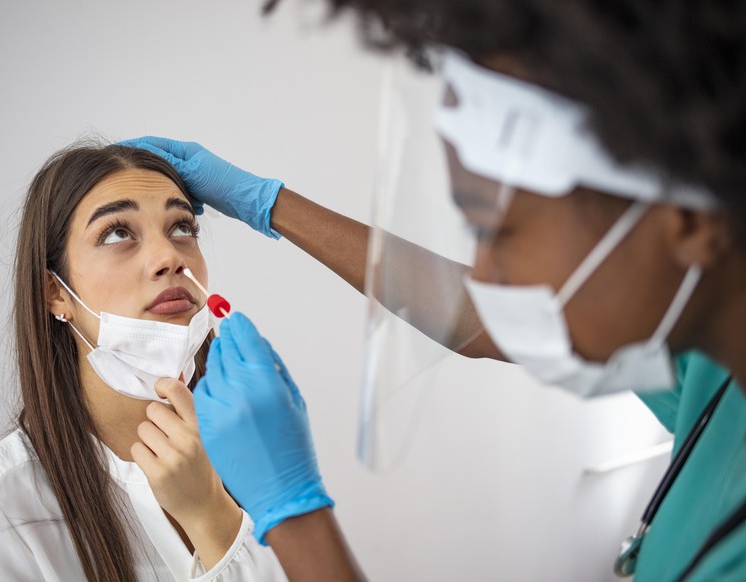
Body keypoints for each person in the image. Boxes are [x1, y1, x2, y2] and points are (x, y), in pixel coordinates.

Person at [120, 1, 746, 580]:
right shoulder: (707, 346)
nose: (485, 279)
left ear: (685, 222)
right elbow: (475, 319)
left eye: (498, 231)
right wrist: (267, 204)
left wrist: (292, 512)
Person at [0, 143, 287, 581]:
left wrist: (213, 516)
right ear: (55, 292)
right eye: (116, 234)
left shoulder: (262, 446)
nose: (171, 259)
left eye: (182, 227)